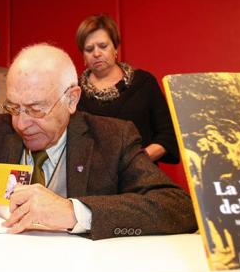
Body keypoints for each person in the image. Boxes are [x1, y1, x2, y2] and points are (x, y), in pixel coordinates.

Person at [0, 44, 197, 240]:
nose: (21, 124)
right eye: (13, 108)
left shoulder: (113, 138)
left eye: (36, 110)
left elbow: (178, 208)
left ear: (71, 99)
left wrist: (73, 213)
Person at [74, 14, 179, 164]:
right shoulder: (74, 93)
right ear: (83, 56)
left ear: (115, 48)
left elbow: (168, 135)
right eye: (89, 49)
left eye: (103, 46)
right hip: (92, 183)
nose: (96, 54)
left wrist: (135, 161)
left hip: (142, 177)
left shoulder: (144, 83)